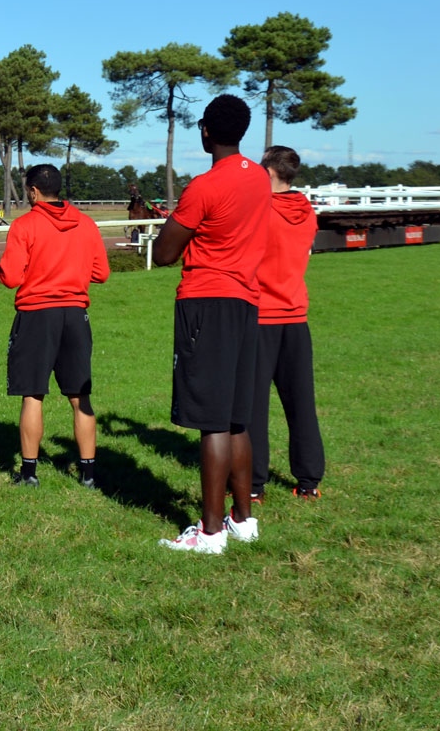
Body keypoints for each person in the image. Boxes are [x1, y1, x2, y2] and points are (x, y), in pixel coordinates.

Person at [151, 95, 271, 554]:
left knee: (212, 422)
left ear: (205, 131)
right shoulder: (259, 177)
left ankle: (211, 531)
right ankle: (243, 519)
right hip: (246, 301)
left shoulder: (204, 186)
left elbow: (164, 253)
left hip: (207, 302)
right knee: (238, 417)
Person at [0, 164, 110, 488]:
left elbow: (11, 277)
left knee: (33, 394)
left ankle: (29, 473)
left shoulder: (25, 225)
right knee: (80, 397)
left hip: (36, 315)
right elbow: (101, 273)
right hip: (75, 315)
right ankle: (88, 474)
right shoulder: (87, 224)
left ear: (33, 191)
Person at [251, 145, 325, 501]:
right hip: (296, 316)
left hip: (262, 316)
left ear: (268, 171)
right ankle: (309, 482)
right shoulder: (307, 212)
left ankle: (253, 485)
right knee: (301, 404)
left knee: (254, 407)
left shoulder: (260, 210)